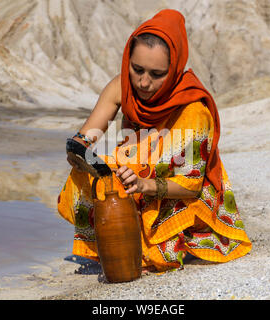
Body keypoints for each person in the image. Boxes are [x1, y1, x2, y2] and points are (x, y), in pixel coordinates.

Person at [57, 9, 252, 272]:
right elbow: (89, 135)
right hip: (137, 181)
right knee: (86, 176)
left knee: (157, 254)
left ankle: (143, 243)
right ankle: (120, 242)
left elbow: (190, 185)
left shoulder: (192, 109)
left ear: (173, 69)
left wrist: (143, 184)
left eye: (156, 74)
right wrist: (77, 150)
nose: (144, 82)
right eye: (137, 69)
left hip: (179, 196)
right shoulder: (122, 87)